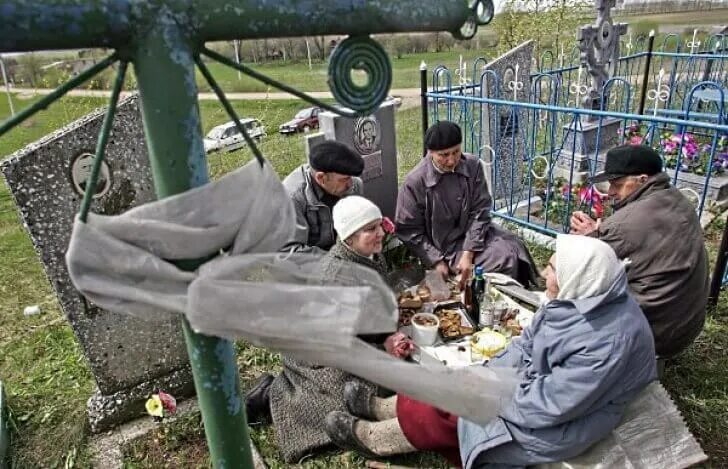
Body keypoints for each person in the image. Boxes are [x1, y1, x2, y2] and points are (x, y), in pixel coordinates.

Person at [324, 235, 657, 468]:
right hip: (534, 390)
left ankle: (377, 439)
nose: (544, 273)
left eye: (553, 269)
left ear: (578, 277)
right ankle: (384, 408)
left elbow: (551, 406)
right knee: (453, 377)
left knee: (458, 411)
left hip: (559, 421)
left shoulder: (607, 342)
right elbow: (525, 345)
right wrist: (487, 371)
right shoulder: (578, 299)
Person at [244, 195, 413, 463]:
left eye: (379, 225)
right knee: (349, 398)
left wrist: (387, 335)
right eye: (370, 229)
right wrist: (383, 345)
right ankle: (275, 394)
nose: (380, 233)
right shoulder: (336, 278)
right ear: (348, 237)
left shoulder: (365, 254)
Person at [570, 144, 709, 359]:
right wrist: (601, 234)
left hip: (655, 334)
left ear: (642, 180)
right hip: (684, 326)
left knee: (569, 304)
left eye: (617, 184)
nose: (611, 192)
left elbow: (588, 266)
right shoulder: (676, 199)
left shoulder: (626, 223)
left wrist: (590, 238)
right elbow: (640, 239)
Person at [395, 120, 537, 287]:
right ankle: (484, 298)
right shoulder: (415, 182)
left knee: (514, 247)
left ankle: (516, 292)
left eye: (456, 152)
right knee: (503, 259)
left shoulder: (472, 165)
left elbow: (480, 210)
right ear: (431, 152)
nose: (451, 160)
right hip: (443, 247)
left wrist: (468, 253)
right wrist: (435, 261)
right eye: (444, 155)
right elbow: (408, 230)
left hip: (474, 234)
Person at [282, 140, 365, 252]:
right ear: (321, 178)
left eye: (351, 177)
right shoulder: (292, 198)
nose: (350, 184)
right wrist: (336, 262)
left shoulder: (354, 185)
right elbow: (290, 251)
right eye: (344, 179)